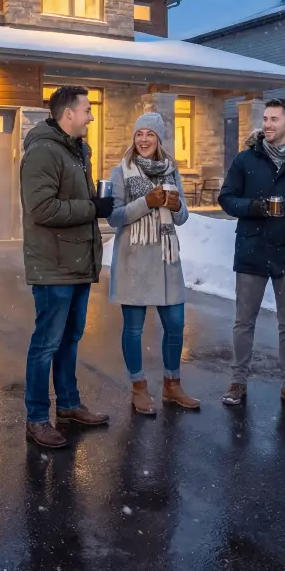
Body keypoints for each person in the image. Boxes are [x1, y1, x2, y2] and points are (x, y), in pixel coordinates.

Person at [216, 98, 285, 411]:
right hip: (251, 249)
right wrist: (254, 207)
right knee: (243, 322)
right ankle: (238, 381)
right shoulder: (246, 159)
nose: (267, 124)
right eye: (265, 119)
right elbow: (225, 198)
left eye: (274, 119)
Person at [19, 85, 116, 449]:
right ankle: (37, 418)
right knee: (45, 344)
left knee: (69, 340)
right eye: (87, 109)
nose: (91, 115)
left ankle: (70, 405)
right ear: (68, 113)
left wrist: (93, 202)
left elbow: (71, 200)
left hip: (77, 262)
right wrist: (93, 208)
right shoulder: (44, 151)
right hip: (53, 265)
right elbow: (41, 209)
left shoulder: (78, 150)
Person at [106, 111, 200, 414]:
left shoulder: (171, 170)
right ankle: (139, 387)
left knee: (175, 325)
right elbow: (114, 216)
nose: (143, 139)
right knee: (133, 328)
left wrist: (175, 206)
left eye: (149, 134)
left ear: (159, 138)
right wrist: (147, 202)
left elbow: (183, 217)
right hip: (134, 258)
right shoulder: (121, 171)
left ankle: (172, 385)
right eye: (139, 134)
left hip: (166, 257)